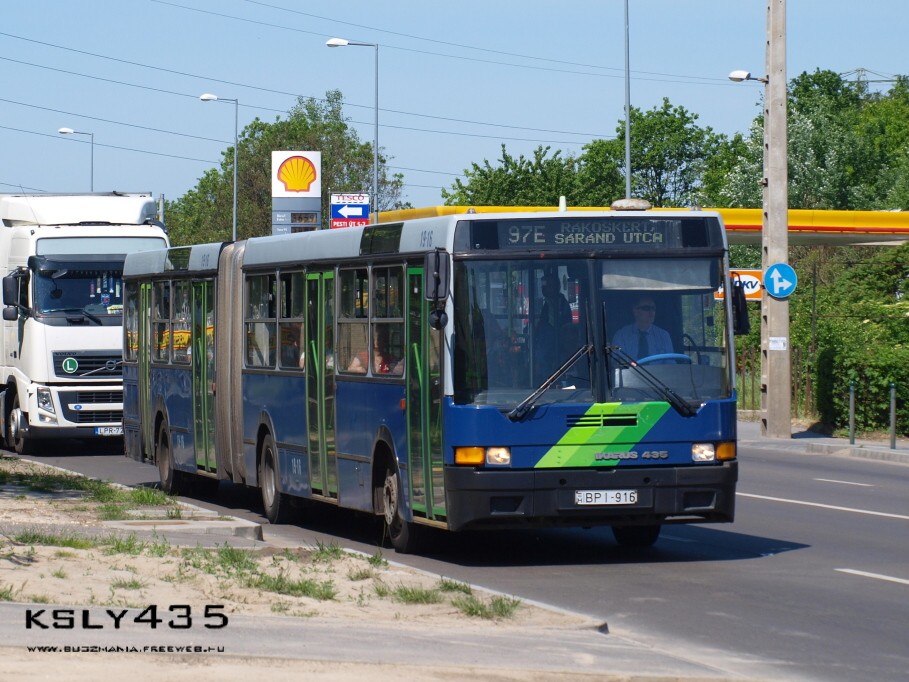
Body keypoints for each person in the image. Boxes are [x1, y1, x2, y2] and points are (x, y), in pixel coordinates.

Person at [612, 295, 673, 360]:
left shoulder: (664, 336)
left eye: (653, 308)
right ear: (635, 311)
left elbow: (670, 363)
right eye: (646, 308)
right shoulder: (621, 336)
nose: (651, 312)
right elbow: (617, 362)